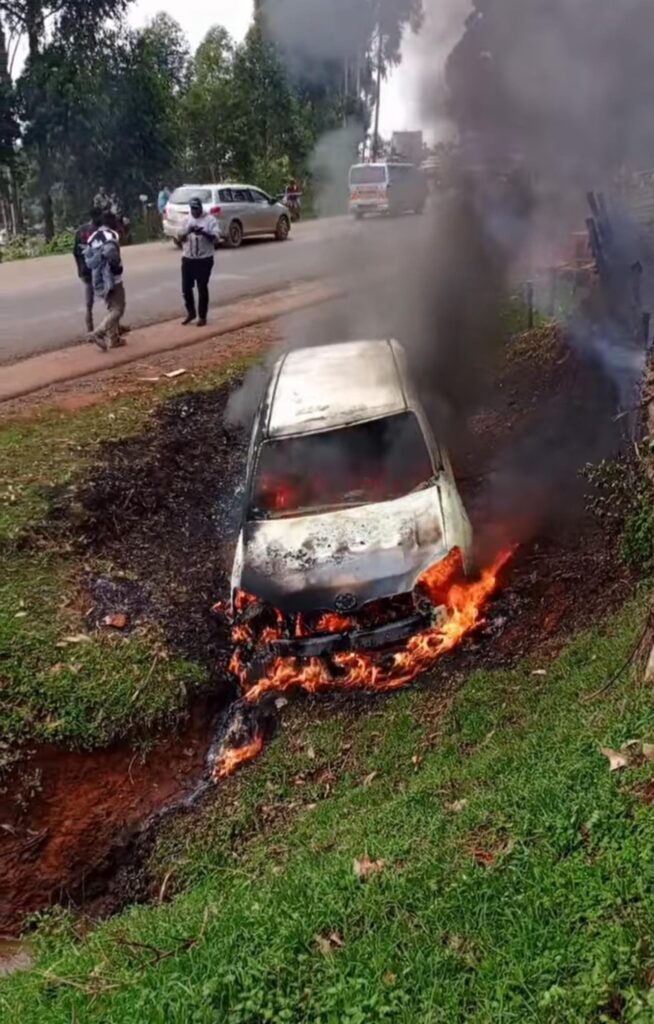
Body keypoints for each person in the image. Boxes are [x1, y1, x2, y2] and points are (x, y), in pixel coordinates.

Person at [85, 213, 126, 351]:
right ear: (112, 223)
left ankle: (114, 339)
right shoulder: (112, 235)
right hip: (112, 279)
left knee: (111, 307)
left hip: (98, 279)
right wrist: (117, 268)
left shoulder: (92, 237)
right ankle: (98, 332)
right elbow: (112, 255)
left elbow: (89, 260)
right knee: (118, 309)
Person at [178, 196, 219, 326]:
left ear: (201, 207)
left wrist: (204, 233)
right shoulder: (186, 219)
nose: (195, 211)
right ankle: (191, 312)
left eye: (196, 209)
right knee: (186, 288)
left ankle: (202, 316)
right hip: (188, 258)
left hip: (204, 258)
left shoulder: (210, 220)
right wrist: (188, 231)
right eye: (192, 209)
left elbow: (216, 238)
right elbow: (180, 237)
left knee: (202, 287)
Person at [73, 207, 103, 333]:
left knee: (89, 303)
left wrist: (80, 268)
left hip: (85, 270)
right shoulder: (100, 233)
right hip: (97, 270)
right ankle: (113, 328)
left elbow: (75, 252)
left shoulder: (80, 230)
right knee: (112, 301)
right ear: (98, 217)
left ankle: (90, 329)